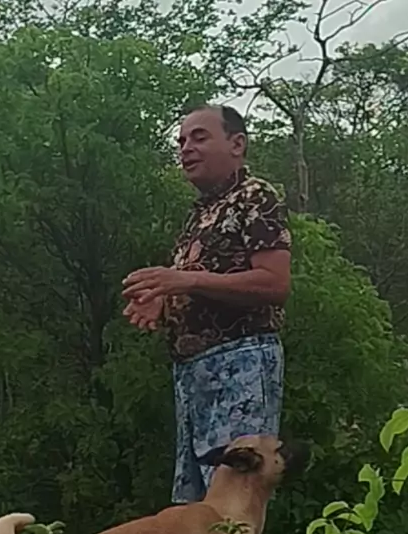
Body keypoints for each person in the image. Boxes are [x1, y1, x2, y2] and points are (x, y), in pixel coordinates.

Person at [121, 104, 292, 504]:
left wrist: (186, 280)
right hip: (192, 374)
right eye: (181, 141)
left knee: (235, 503)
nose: (186, 148)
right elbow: (200, 285)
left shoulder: (255, 196)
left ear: (237, 144)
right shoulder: (200, 214)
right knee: (196, 511)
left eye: (199, 137)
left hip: (241, 363)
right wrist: (163, 300)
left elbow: (275, 283)